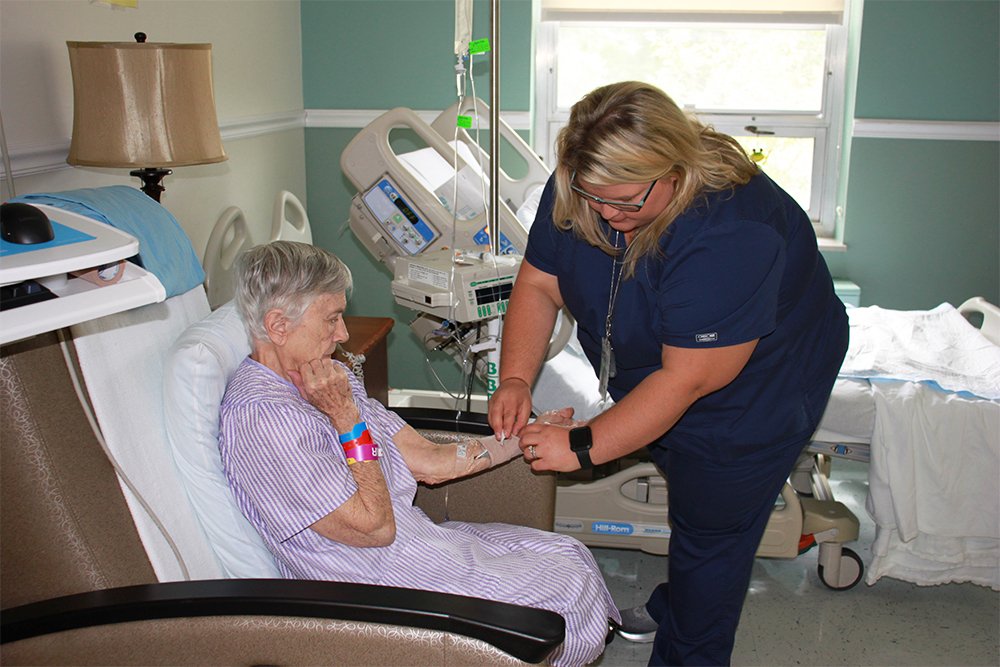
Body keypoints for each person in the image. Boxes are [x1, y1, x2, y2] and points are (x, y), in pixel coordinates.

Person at [488, 82, 849, 666]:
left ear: (673, 170)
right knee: (689, 499)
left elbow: (688, 380)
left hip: (755, 391)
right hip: (667, 369)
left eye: (626, 202)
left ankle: (689, 631)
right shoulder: (585, 185)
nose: (607, 215)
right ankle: (676, 599)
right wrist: (515, 381)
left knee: (713, 538)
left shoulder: (730, 230)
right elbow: (539, 281)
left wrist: (582, 446)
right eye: (592, 196)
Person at [218, 240, 619, 667]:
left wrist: (530, 437)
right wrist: (346, 419)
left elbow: (431, 460)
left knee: (568, 556)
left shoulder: (327, 378)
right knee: (558, 590)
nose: (343, 334)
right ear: (278, 325)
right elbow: (374, 529)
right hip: (370, 583)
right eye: (332, 318)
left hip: (417, 541)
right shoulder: (263, 420)